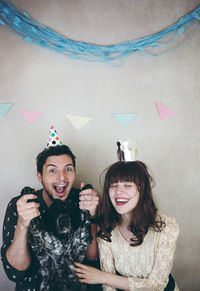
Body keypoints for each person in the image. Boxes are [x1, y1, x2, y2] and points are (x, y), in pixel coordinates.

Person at [1, 143, 99, 291]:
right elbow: (15, 272)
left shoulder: (84, 200)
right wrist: (22, 224)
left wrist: (92, 216)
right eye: (52, 170)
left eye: (68, 169)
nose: (62, 177)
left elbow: (92, 259)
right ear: (39, 176)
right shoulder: (20, 204)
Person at [74, 161, 180, 291]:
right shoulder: (107, 228)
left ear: (142, 189)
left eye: (127, 185)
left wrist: (102, 277)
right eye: (113, 185)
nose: (119, 191)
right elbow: (109, 287)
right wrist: (106, 279)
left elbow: (156, 285)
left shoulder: (167, 226)